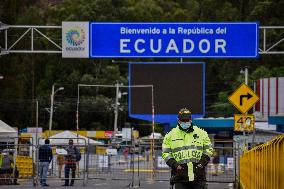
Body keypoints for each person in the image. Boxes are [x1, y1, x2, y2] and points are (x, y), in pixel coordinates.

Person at [162, 108, 213, 189]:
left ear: (191, 120)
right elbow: (166, 154)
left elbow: (209, 150)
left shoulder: (202, 133)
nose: (186, 122)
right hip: (180, 177)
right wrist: (176, 166)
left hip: (198, 177)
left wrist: (201, 164)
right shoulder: (169, 135)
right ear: (178, 120)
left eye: (187, 120)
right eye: (183, 120)